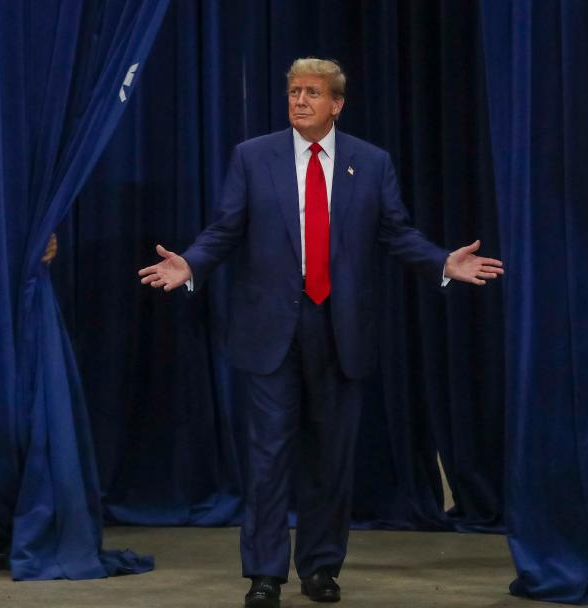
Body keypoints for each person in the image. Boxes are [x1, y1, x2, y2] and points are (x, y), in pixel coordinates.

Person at [138, 57, 502, 608]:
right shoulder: (253, 157)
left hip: (341, 328)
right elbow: (225, 228)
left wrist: (440, 263)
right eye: (293, 92)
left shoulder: (371, 163)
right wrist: (191, 264)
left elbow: (396, 233)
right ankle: (264, 573)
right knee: (267, 460)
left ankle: (321, 567)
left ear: (337, 104)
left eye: (312, 93)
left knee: (331, 460)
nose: (300, 100)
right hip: (271, 331)